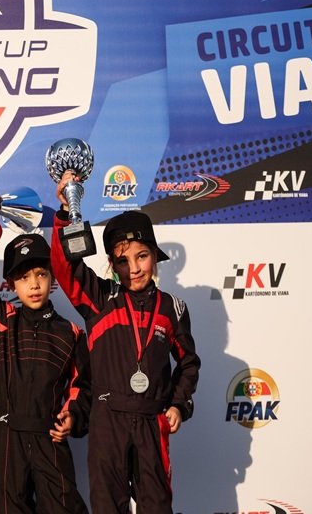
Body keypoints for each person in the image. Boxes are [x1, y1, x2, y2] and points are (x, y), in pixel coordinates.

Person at [50, 173, 200, 514]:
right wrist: (65, 213)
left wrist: (178, 405)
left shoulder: (173, 308)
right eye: (123, 261)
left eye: (141, 256)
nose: (134, 268)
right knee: (107, 506)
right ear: (112, 265)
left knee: (156, 506)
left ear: (155, 255)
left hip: (152, 420)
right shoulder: (100, 298)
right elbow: (64, 268)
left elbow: (189, 363)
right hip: (108, 421)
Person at [0, 223, 91, 514]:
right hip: (8, 438)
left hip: (50, 437)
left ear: (52, 278)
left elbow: (83, 388)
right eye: (24, 277)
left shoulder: (71, 333)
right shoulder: (1, 321)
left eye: (40, 274)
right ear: (11, 284)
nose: (34, 285)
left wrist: (73, 417)